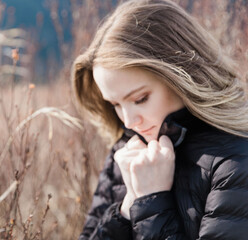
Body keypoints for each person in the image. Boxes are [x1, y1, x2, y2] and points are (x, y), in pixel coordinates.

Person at [71, 0, 248, 239]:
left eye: (140, 99)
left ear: (180, 76)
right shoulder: (126, 152)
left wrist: (151, 202)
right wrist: (126, 210)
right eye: (115, 105)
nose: (129, 121)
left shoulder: (235, 162)